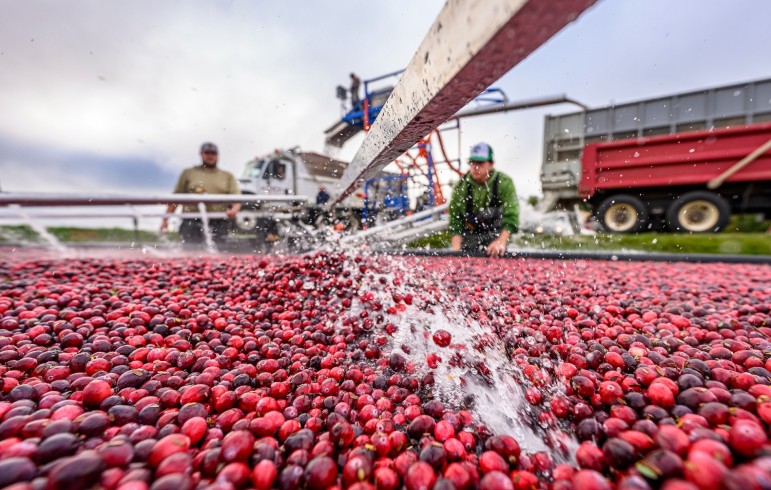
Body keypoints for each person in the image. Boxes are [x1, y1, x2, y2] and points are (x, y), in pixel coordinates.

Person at [161, 142, 241, 247]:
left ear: (217, 155)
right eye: (207, 153)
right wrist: (165, 219)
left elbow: (237, 197)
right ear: (201, 154)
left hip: (219, 221)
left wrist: (234, 210)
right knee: (190, 252)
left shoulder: (227, 176)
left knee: (220, 254)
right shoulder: (189, 173)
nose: (210, 156)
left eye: (213, 153)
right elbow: (176, 198)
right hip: (191, 221)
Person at [448, 142, 518, 257]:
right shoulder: (460, 186)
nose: (475, 167)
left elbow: (511, 218)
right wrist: (456, 249)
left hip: (495, 235)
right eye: (472, 163)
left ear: (491, 164)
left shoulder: (504, 182)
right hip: (469, 234)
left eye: (480, 163)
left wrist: (501, 242)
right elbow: (456, 220)